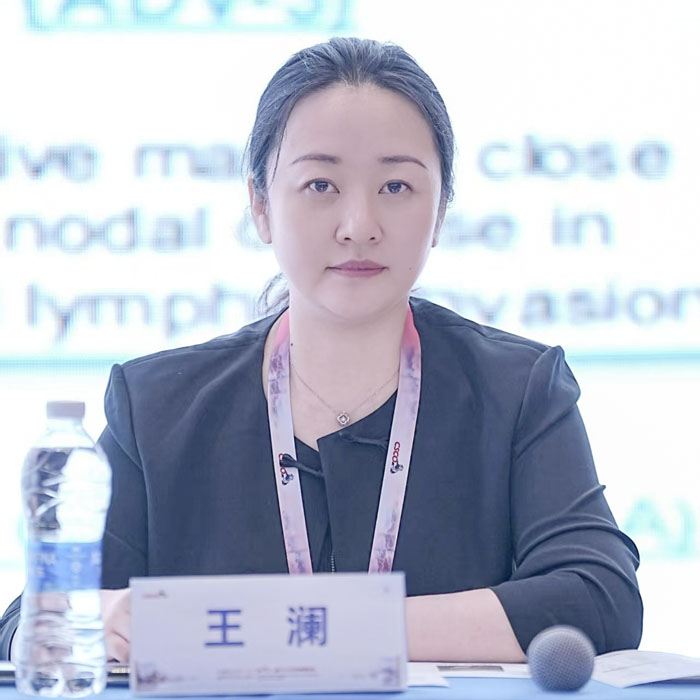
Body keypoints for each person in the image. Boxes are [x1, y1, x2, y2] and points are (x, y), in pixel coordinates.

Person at [0, 36, 642, 663]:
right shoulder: (157, 407)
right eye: (320, 185)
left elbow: (598, 599)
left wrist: (302, 628)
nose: (359, 226)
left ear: (441, 211)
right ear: (260, 205)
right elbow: (28, 625)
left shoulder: (518, 389)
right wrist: (96, 619)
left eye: (396, 187)